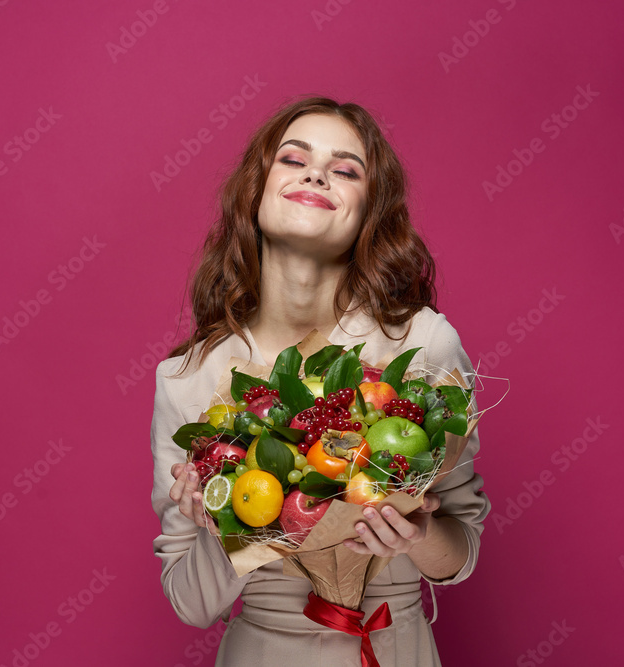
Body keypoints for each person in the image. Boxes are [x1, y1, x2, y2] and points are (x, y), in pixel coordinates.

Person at [150, 96, 490, 666]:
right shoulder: (189, 376)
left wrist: (415, 536)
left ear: (369, 212)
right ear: (254, 192)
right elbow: (189, 603)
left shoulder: (424, 343)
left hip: (396, 646)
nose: (316, 173)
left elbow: (462, 552)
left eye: (346, 169)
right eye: (293, 159)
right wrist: (219, 525)